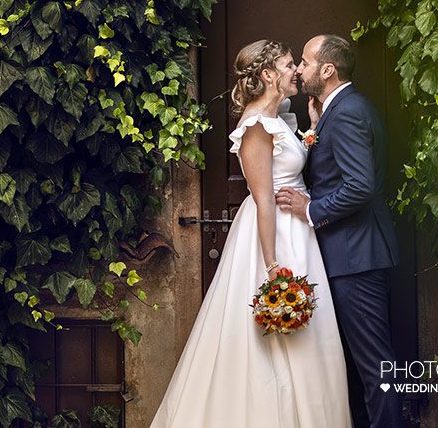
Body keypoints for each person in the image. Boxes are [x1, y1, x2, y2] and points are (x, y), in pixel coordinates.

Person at [151, 39, 352, 428]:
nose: (296, 71)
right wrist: (272, 265)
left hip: (298, 231)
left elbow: (289, 165)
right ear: (268, 74)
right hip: (274, 235)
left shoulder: (280, 118)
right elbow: (263, 200)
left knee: (311, 337)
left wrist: (312, 129)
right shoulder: (256, 126)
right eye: (289, 64)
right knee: (273, 339)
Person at [276, 34, 402, 428]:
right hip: (352, 254)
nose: (299, 69)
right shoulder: (341, 109)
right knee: (358, 365)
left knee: (375, 367)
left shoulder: (347, 112)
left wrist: (310, 209)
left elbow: (359, 186)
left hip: (357, 257)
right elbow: (335, 170)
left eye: (305, 62)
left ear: (328, 70)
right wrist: (314, 130)